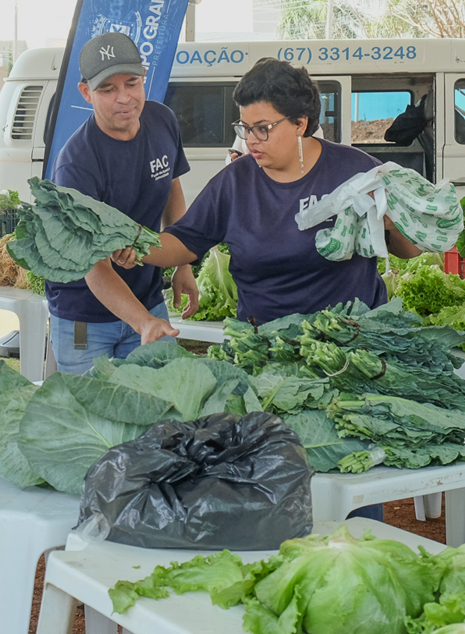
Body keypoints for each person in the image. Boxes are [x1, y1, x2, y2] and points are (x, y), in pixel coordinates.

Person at [99, 58, 423, 521]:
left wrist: (386, 216)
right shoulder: (236, 182)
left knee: (349, 477)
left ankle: (358, 552)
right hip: (266, 361)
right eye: (244, 127)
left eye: (263, 128)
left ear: (300, 123)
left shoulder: (354, 169)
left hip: (350, 360)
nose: (251, 140)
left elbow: (409, 250)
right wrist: (139, 245)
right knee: (273, 480)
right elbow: (185, 240)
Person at [46, 32, 198, 374]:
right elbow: (95, 268)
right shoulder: (76, 164)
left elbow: (172, 187)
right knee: (94, 420)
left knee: (162, 415)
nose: (124, 98)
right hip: (83, 317)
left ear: (144, 79)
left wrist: (182, 263)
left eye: (132, 83)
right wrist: (143, 323)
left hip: (148, 302)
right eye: (108, 89)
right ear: (86, 93)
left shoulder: (163, 121)